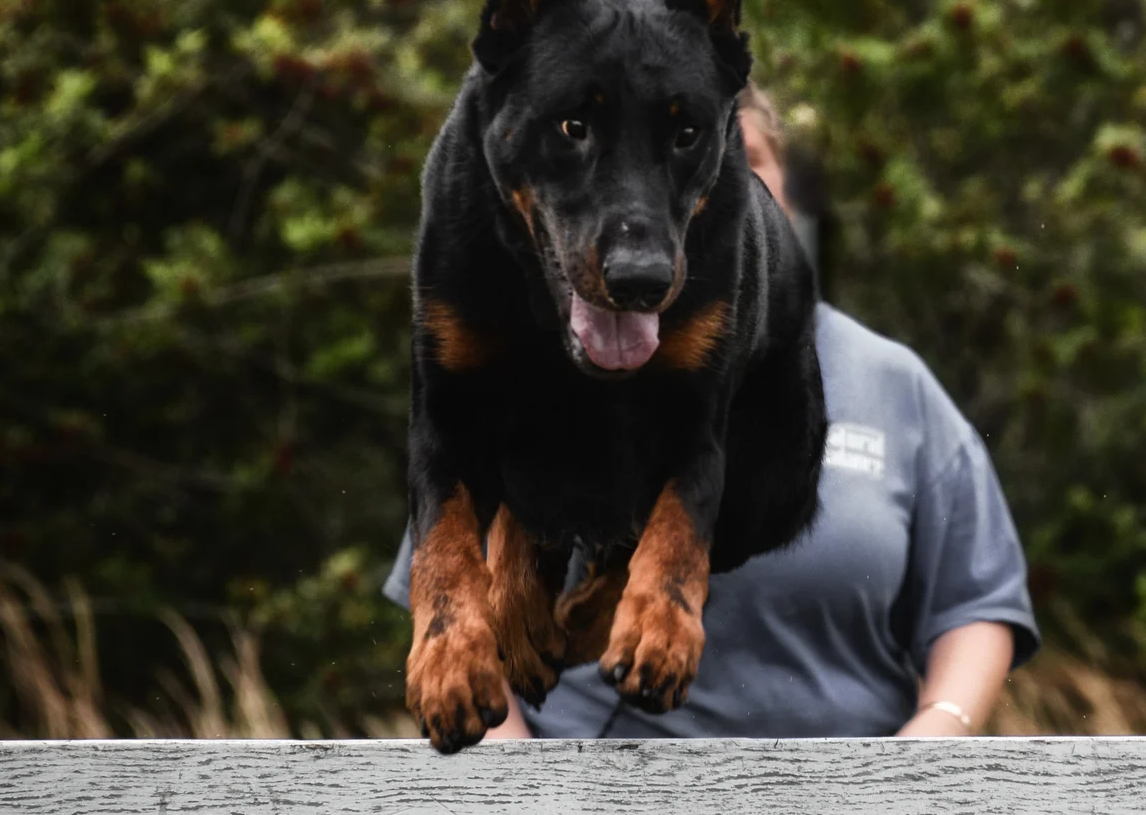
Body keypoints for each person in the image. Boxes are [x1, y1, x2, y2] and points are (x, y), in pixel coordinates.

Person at [383, 86, 1037, 738]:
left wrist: (933, 735)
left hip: (851, 811)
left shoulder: (892, 381)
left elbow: (974, 602)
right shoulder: (535, 356)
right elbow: (452, 591)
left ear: (787, 190)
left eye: (742, 159)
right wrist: (519, 784)